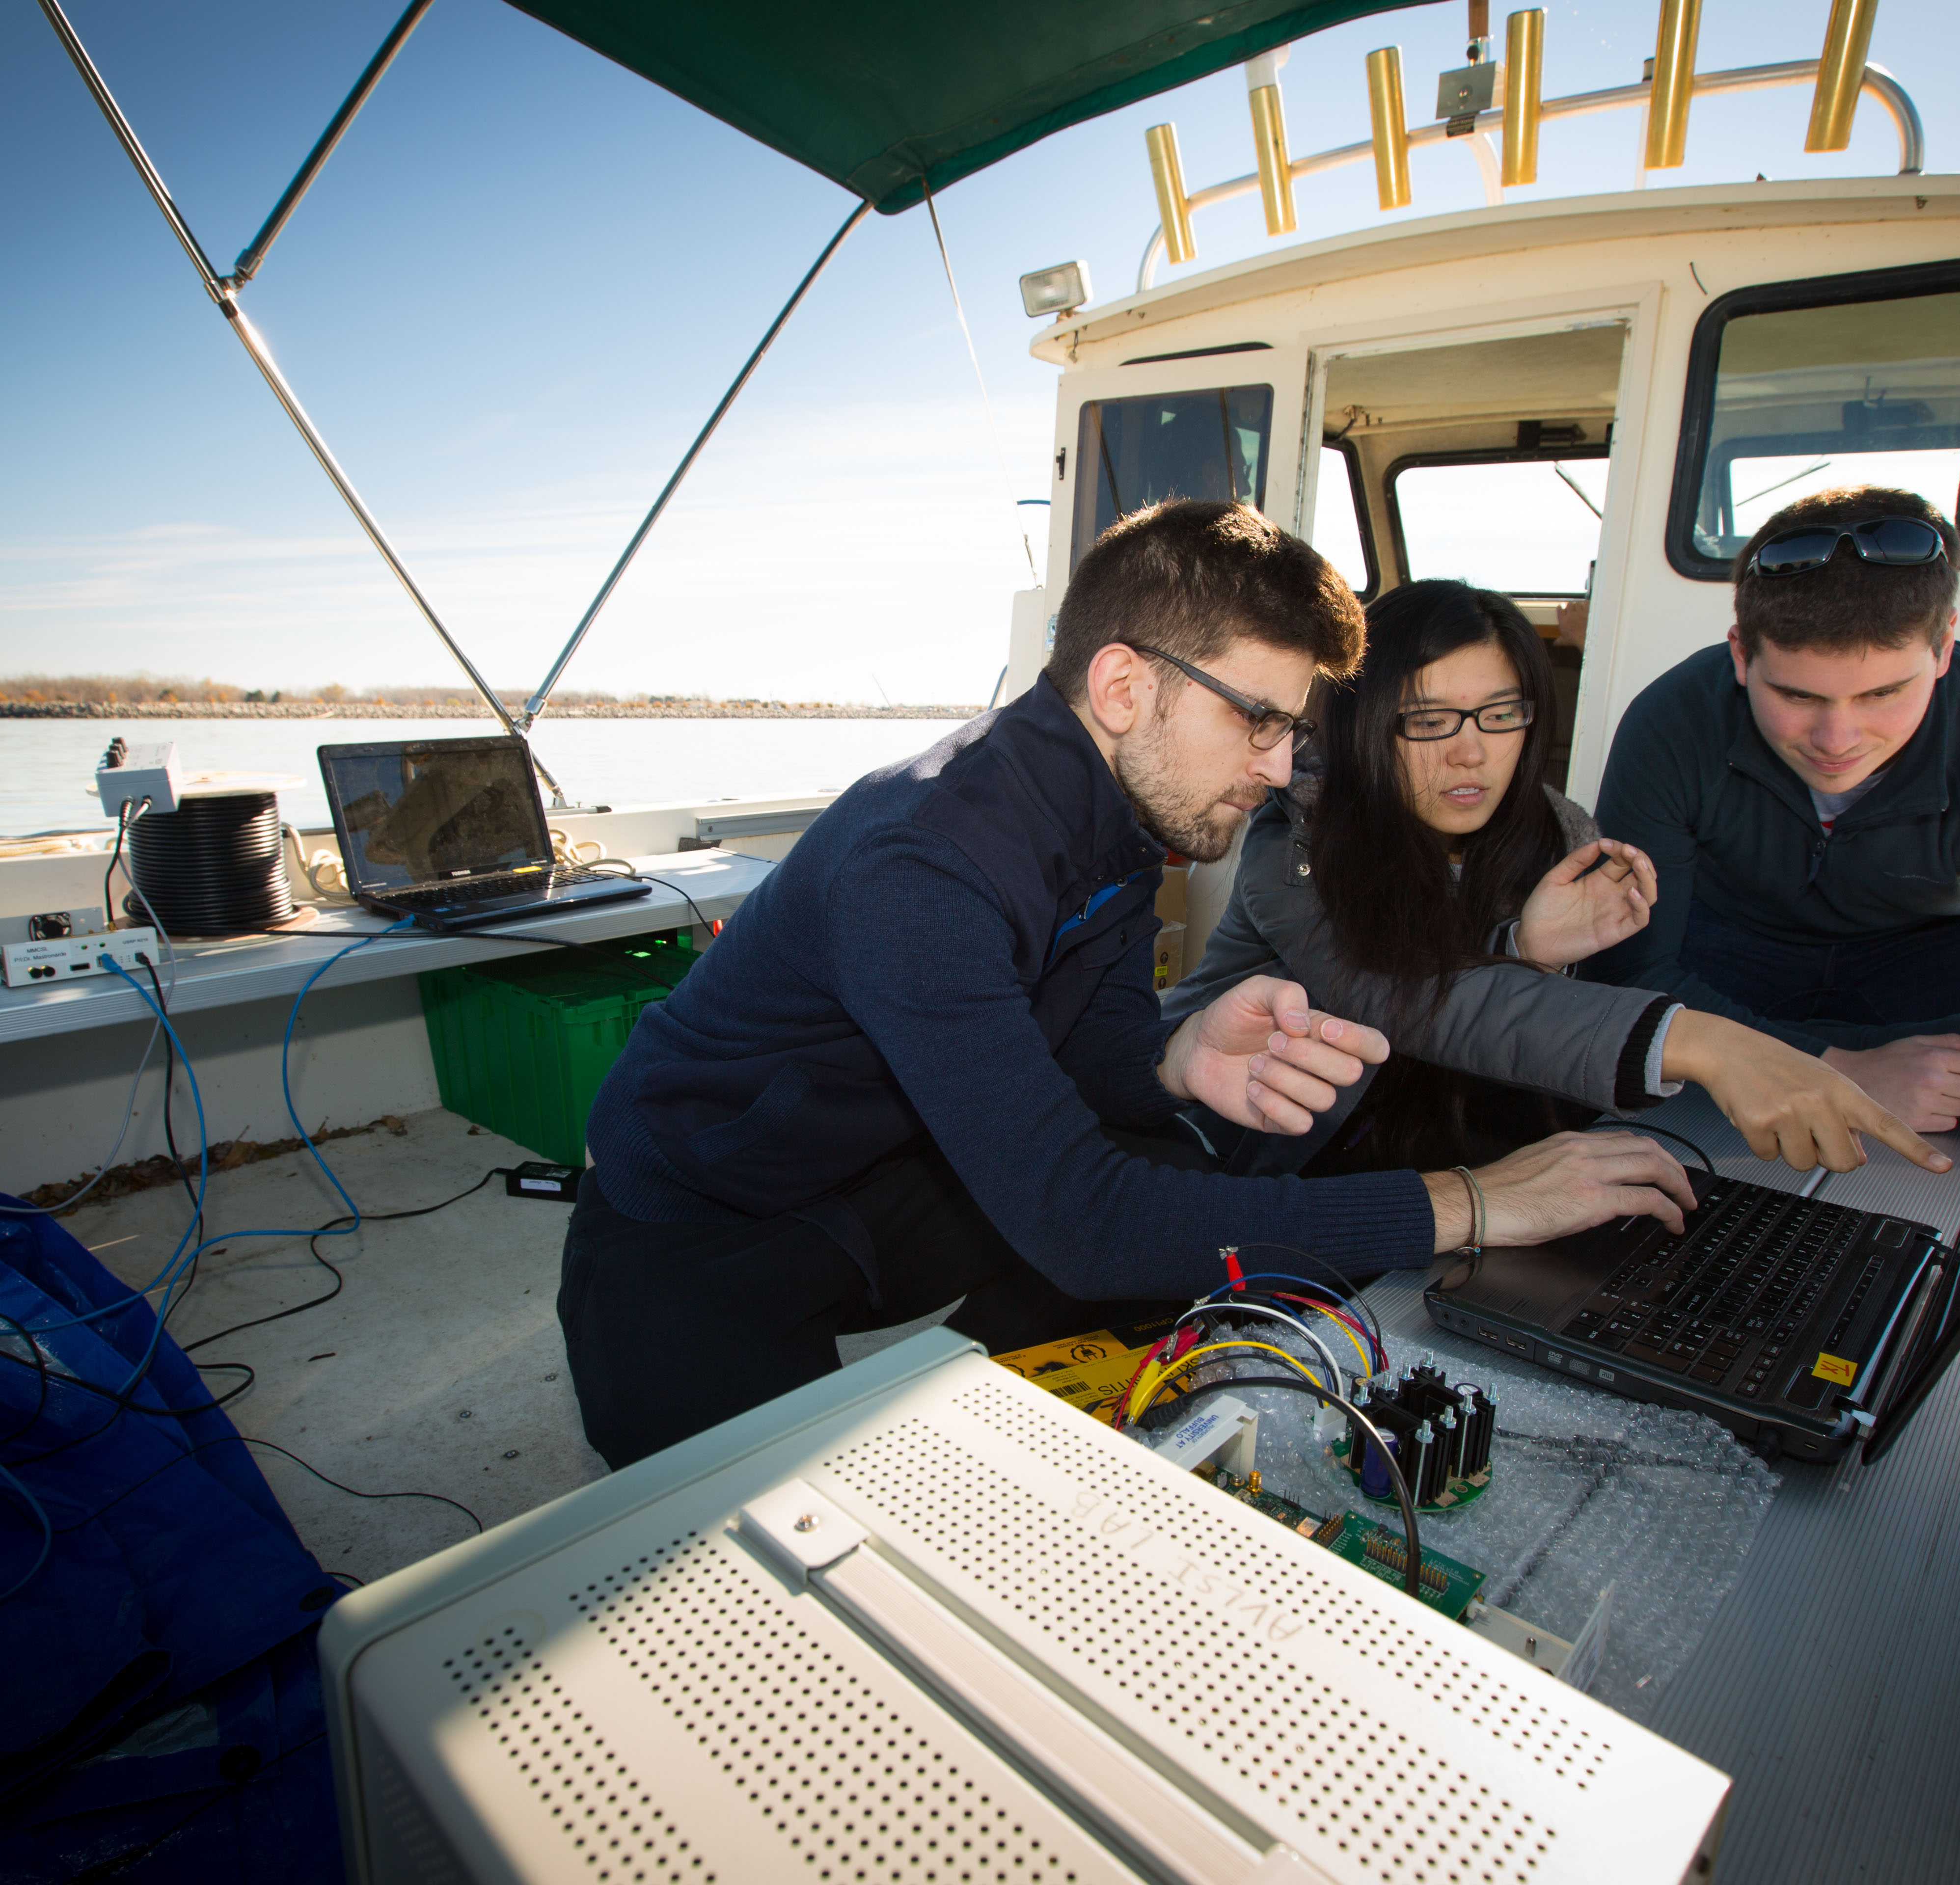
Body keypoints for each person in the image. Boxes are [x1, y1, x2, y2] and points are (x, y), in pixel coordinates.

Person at [562, 501, 1706, 1468]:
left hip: (886, 1159)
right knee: (761, 1556)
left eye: (1290, 730)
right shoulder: (922, 866)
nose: (1275, 769)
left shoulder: (1119, 815)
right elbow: (1083, 1223)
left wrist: (1176, 1053)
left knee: (1171, 1163)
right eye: (1257, 720)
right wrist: (1471, 1202)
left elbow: (1095, 1043)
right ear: (1122, 685)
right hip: (701, 1214)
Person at [1164, 579, 1939, 1178]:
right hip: (1259, 1162)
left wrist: (1525, 944)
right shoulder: (1296, 840)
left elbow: (1515, 1032)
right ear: (1364, 723)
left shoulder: (1560, 835)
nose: (1473, 753)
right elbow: (1413, 995)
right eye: (1430, 720)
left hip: (1447, 1152)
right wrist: (1707, 1043)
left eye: (1502, 714)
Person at [1583, 485, 1960, 1130]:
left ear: (1945, 647)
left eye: (1885, 693)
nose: (1836, 741)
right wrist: (1838, 1069)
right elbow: (1625, 983)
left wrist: (1732, 1053)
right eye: (1796, 695)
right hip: (1732, 948)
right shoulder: (1671, 721)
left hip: (1917, 962)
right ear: (1740, 654)